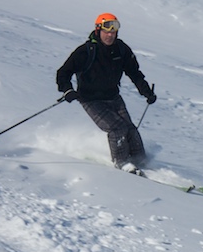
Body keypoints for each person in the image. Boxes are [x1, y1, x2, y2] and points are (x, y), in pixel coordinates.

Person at [56, 12, 157, 170]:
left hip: (113, 97)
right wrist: (67, 90)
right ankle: (122, 164)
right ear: (98, 30)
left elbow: (134, 73)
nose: (110, 35)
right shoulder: (86, 51)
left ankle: (143, 164)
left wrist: (146, 92)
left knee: (130, 130)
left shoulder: (121, 49)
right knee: (117, 128)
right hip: (90, 99)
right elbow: (63, 73)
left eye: (113, 32)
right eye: (106, 31)